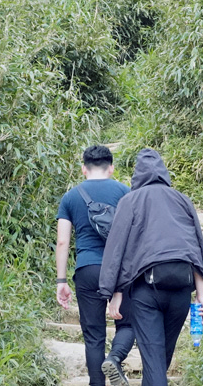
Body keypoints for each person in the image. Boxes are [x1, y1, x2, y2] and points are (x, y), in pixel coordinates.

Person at [99, 149, 203, 386]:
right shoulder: (182, 200)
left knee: (154, 363)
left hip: (146, 293)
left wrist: (114, 293)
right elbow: (195, 247)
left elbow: (117, 248)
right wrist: (201, 295)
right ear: (164, 172)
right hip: (182, 291)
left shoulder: (130, 200)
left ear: (137, 174)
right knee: (160, 362)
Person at [56, 145, 136, 386]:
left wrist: (61, 281)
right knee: (129, 323)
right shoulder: (125, 193)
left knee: (93, 336)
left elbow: (62, 241)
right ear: (111, 168)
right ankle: (114, 358)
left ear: (84, 169)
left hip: (87, 269)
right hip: (120, 270)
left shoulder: (70, 197)